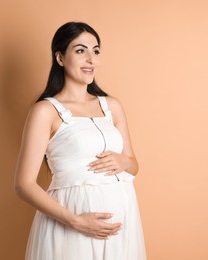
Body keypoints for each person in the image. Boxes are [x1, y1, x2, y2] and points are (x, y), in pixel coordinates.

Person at [14, 22, 146, 260]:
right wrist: (75, 221)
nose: (90, 59)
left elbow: (134, 164)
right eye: (80, 50)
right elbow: (24, 184)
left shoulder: (112, 106)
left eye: (96, 51)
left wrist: (123, 162)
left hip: (122, 223)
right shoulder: (45, 111)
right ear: (60, 58)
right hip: (71, 224)